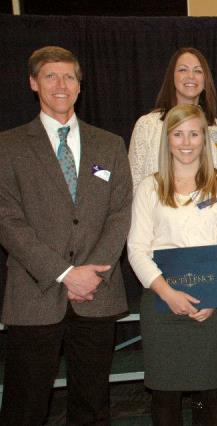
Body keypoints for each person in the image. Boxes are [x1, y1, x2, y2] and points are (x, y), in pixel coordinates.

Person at [0, 46, 132, 424]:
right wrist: (64, 273)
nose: (61, 85)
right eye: (51, 76)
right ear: (33, 83)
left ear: (79, 85)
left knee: (91, 404)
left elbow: (121, 212)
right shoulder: (7, 146)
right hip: (34, 294)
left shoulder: (109, 144)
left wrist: (92, 272)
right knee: (25, 406)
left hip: (96, 292)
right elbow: (7, 219)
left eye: (70, 77)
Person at [127, 103, 217, 425]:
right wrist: (167, 293)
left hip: (214, 306)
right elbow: (136, 249)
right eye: (178, 134)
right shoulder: (150, 187)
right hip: (162, 304)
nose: (187, 142)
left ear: (205, 139)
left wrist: (216, 294)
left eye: (194, 134)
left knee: (214, 394)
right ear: (168, 139)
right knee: (165, 396)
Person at [129, 47, 217, 193]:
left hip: (207, 212)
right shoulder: (147, 126)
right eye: (183, 70)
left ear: (206, 79)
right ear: (172, 77)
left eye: (198, 71)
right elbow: (133, 181)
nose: (191, 76)